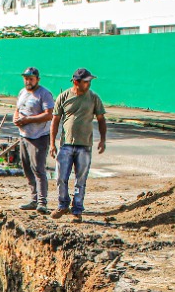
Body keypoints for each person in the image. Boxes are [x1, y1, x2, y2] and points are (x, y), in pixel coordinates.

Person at [49, 68, 107, 223]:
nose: (88, 84)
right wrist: (52, 143)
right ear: (76, 82)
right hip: (66, 145)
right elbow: (55, 120)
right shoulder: (63, 97)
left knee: (80, 180)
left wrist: (102, 139)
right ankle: (63, 205)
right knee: (61, 177)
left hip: (85, 146)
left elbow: (101, 119)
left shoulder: (94, 98)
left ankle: (77, 210)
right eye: (86, 81)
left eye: (89, 81)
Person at [13, 67, 55, 213]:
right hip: (24, 135)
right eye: (26, 78)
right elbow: (18, 109)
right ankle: (33, 199)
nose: (28, 81)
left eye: (31, 78)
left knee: (38, 169)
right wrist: (16, 118)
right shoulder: (22, 92)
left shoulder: (44, 94)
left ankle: (42, 202)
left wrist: (28, 120)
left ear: (37, 79)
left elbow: (49, 114)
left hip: (38, 137)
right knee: (27, 168)